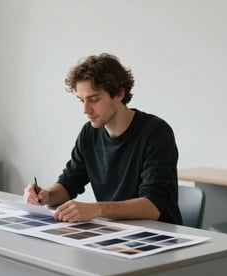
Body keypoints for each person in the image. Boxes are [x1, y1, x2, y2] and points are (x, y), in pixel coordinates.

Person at [24, 53, 182, 225]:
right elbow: (69, 183)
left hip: (157, 237)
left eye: (93, 99)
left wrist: (96, 209)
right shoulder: (89, 133)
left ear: (119, 94)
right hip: (113, 233)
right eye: (81, 100)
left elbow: (152, 206)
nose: (85, 110)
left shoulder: (156, 133)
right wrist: (46, 195)